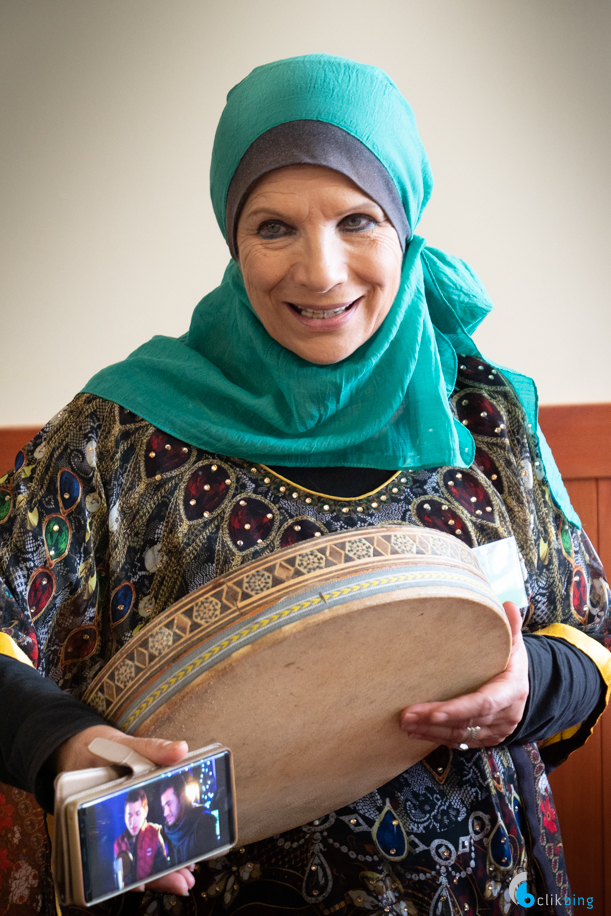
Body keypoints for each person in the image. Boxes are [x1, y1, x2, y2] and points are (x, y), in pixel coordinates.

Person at [0, 54, 610, 916]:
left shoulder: (486, 415)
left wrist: (527, 687)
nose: (320, 272)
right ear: (231, 236)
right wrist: (64, 745)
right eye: (274, 228)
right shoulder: (119, 431)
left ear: (404, 224)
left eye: (357, 221)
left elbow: (591, 636)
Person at [113, 788, 168, 885]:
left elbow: (164, 873)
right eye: (129, 815)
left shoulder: (154, 835)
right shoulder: (118, 843)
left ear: (145, 811)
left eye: (137, 814)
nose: (132, 821)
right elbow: (117, 880)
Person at [159, 776, 218, 866]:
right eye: (163, 807)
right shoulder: (167, 831)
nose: (165, 813)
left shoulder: (203, 821)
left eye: (169, 804)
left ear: (181, 797)